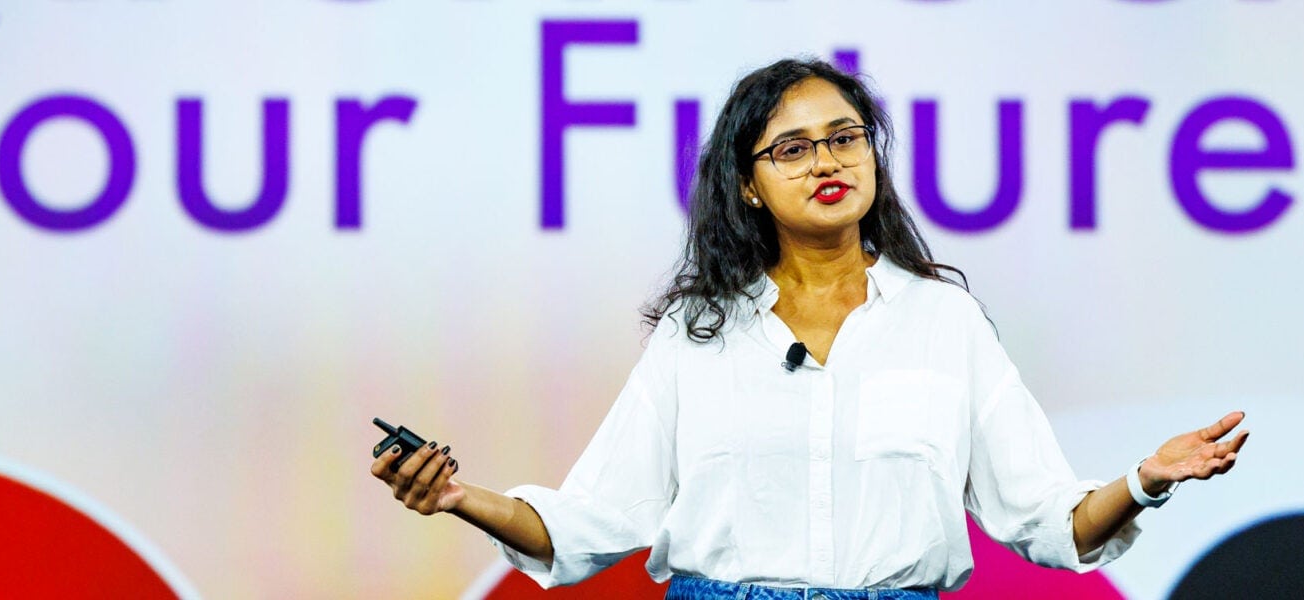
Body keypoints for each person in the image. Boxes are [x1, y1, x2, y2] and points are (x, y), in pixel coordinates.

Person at [368, 58, 1250, 599]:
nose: (827, 159)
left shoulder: (944, 322)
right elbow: (590, 523)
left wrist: (1145, 479)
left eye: (846, 138)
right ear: (748, 183)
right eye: (792, 147)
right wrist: (456, 497)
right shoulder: (698, 333)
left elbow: (1051, 523)